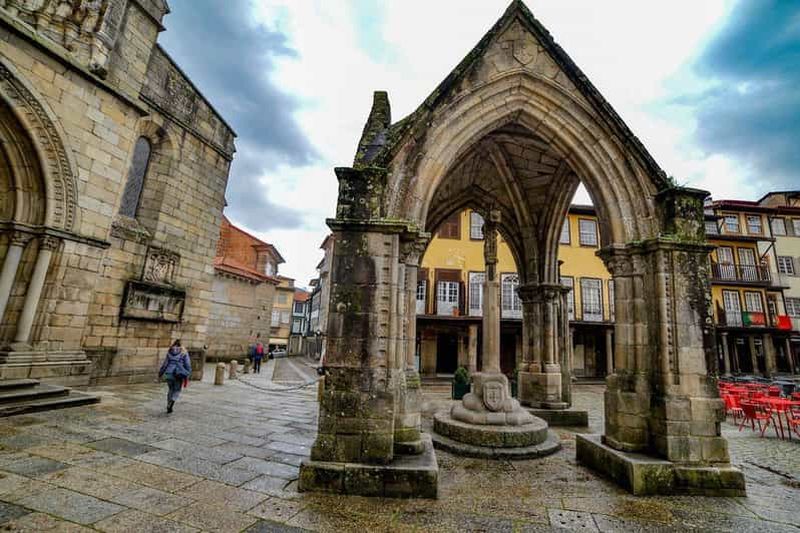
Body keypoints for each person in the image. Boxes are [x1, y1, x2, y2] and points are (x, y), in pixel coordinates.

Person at [158, 339, 191, 413]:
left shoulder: (169, 352)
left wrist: (160, 373)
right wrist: (188, 373)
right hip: (178, 374)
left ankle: (168, 404)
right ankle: (172, 401)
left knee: (170, 389)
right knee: (177, 390)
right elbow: (188, 365)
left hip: (168, 373)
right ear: (181, 345)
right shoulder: (184, 352)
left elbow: (165, 364)